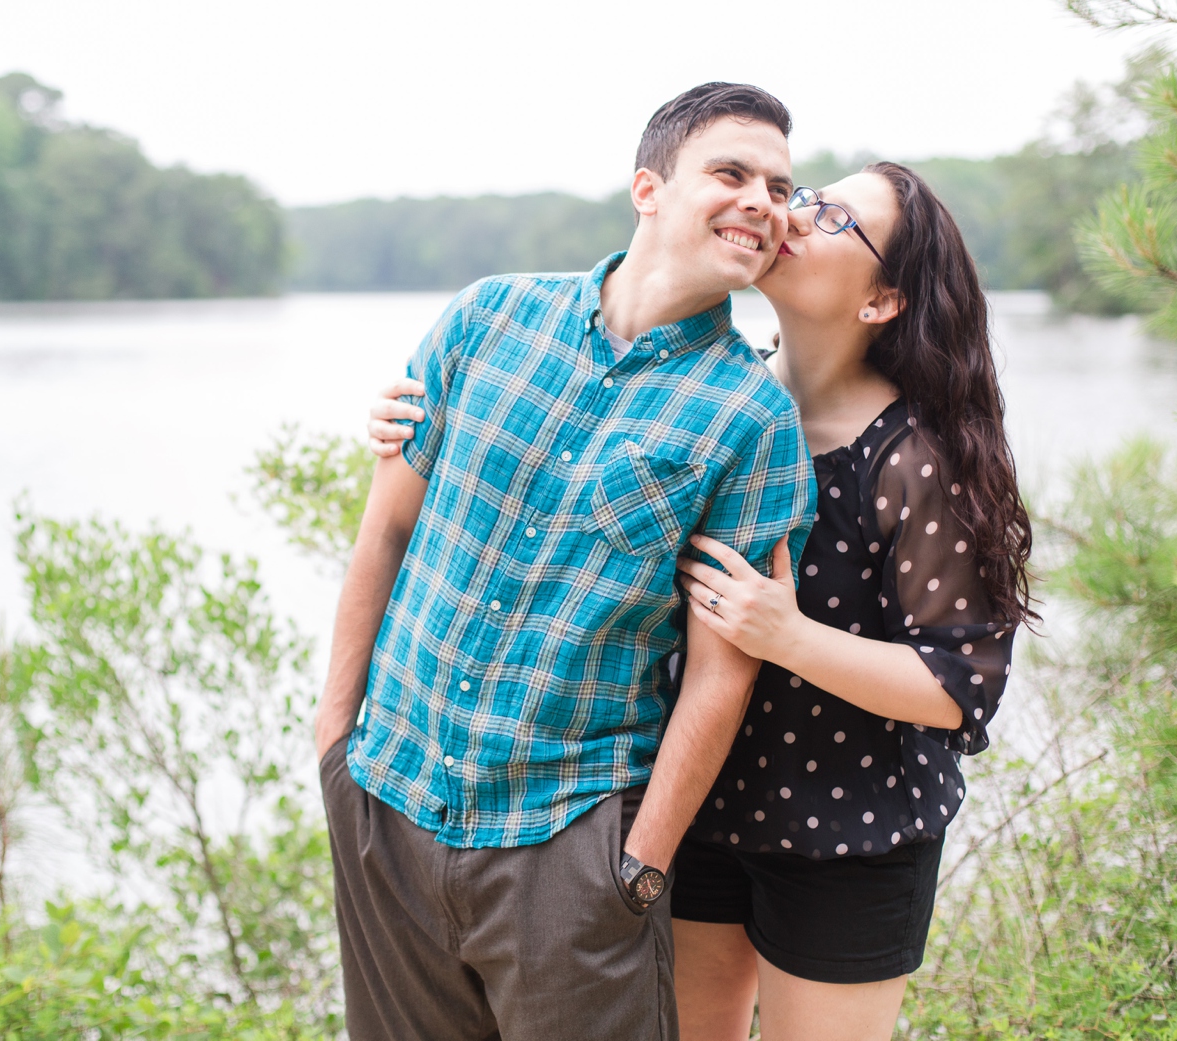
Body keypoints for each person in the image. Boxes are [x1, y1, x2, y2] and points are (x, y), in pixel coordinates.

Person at [365, 163, 1034, 1041]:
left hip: (852, 838)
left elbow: (961, 686)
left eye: (834, 217)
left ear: (881, 302)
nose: (792, 216)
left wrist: (787, 636)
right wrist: (411, 429)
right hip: (692, 812)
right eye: (808, 196)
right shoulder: (717, 406)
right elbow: (554, 508)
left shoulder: (915, 457)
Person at [314, 82, 816, 1041]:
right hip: (388, 800)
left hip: (567, 848)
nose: (763, 200)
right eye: (732, 172)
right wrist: (337, 739)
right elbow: (384, 533)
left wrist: (640, 864)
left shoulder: (750, 420)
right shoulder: (487, 321)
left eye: (780, 187)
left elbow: (722, 669)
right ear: (649, 189)